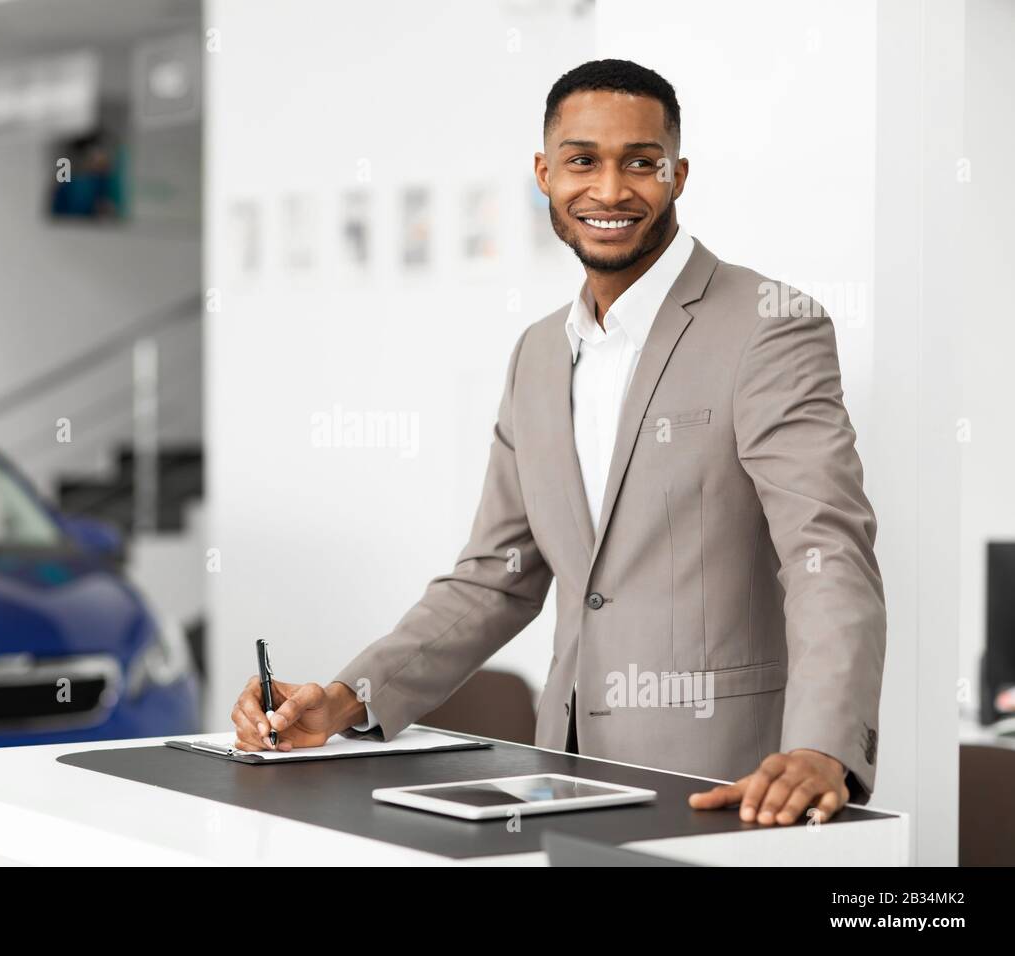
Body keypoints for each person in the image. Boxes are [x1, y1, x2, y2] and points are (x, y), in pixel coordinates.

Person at [230, 59, 885, 827]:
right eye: (583, 161)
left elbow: (826, 550)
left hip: (731, 786)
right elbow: (494, 579)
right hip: (564, 776)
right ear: (544, 173)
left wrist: (822, 746)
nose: (610, 191)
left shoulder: (770, 324)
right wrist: (345, 699)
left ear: (678, 174)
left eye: (641, 162)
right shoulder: (538, 354)